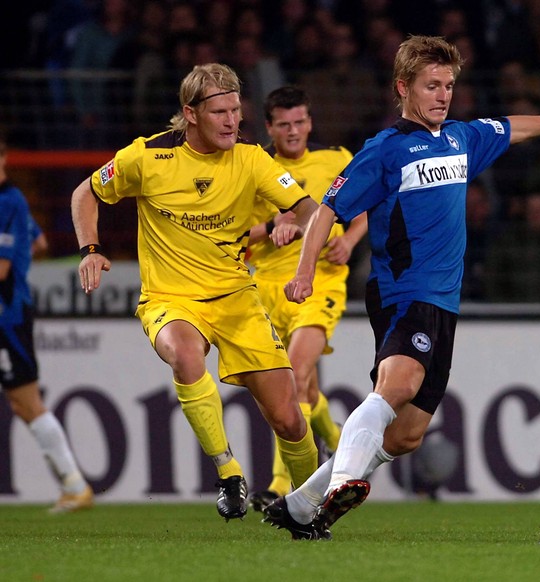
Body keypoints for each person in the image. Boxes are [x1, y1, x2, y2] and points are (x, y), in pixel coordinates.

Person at [262, 34, 540, 541]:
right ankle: (343, 480)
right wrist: (303, 271)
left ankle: (301, 504)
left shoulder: (461, 138)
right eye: (432, 85)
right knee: (398, 385)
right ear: (403, 87)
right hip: (402, 293)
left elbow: (512, 127)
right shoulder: (384, 150)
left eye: (449, 85)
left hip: (443, 303)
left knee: (405, 435)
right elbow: (326, 211)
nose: (443, 94)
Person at [70, 63, 320, 522]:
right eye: (220, 112)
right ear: (190, 113)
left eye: (236, 110)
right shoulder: (145, 157)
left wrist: (294, 225)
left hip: (236, 299)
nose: (232, 121)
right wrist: (91, 249)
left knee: (288, 418)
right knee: (185, 354)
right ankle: (229, 474)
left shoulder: (251, 160)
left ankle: (309, 512)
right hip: (171, 298)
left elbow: (308, 209)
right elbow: (85, 193)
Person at [246, 85, 367, 512]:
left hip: (322, 282)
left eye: (300, 122)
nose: (294, 131)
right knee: (305, 389)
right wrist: (271, 225)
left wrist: (350, 241)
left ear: (310, 122)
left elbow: (363, 208)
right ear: (270, 127)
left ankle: (281, 485)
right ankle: (337, 446)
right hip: (267, 288)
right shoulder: (253, 166)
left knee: (294, 375)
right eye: (284, 124)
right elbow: (237, 238)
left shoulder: (336, 159)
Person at [1, 135, 94, 513]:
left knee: (26, 402)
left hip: (7, 317)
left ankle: (75, 485)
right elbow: (37, 243)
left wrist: (16, 268)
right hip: (12, 311)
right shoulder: (15, 203)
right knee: (24, 404)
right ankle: (74, 485)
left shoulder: (7, 201)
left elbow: (3, 267)